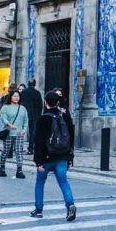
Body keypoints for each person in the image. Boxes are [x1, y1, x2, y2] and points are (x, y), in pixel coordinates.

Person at [31, 91, 76, 222]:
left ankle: (38, 209)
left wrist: (38, 161)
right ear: (58, 102)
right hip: (62, 156)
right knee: (63, 182)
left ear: (46, 102)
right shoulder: (66, 117)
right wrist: (70, 157)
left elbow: (38, 142)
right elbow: (71, 138)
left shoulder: (43, 119)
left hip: (46, 158)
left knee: (40, 182)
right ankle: (70, 205)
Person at [0, 89, 28, 178]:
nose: (16, 98)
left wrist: (24, 130)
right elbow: (3, 118)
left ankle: (19, 170)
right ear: (10, 97)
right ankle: (2, 167)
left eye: (18, 96)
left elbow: (26, 121)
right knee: (6, 151)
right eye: (14, 96)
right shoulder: (5, 107)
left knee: (19, 152)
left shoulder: (23, 108)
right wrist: (9, 124)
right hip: (8, 133)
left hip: (19, 134)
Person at [20, 80, 43, 155]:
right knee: (32, 132)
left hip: (23, 114)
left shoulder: (23, 92)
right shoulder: (37, 93)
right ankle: (31, 148)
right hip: (34, 115)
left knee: (20, 130)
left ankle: (19, 147)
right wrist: (38, 115)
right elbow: (40, 105)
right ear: (35, 84)